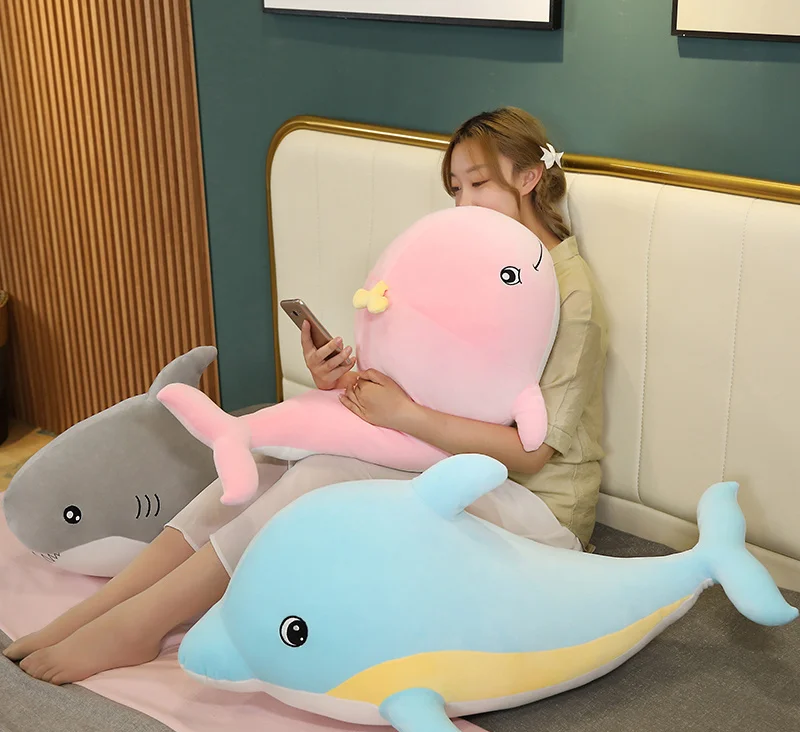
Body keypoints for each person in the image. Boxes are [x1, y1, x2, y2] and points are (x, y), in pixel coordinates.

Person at [3, 107, 608, 685]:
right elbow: (444, 381)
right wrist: (345, 379)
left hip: (534, 505)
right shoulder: (468, 260)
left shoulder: (569, 294)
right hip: (441, 454)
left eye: (478, 185)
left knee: (322, 474)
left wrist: (405, 414)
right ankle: (108, 605)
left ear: (528, 178)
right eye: (454, 189)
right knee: (267, 457)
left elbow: (532, 454)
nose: (462, 205)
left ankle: (140, 625)